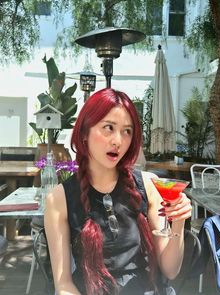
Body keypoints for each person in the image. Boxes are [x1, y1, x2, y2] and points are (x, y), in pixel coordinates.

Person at [44, 88, 192, 295]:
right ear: (84, 132)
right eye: (108, 128)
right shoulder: (59, 199)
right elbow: (64, 284)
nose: (118, 141)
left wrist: (179, 220)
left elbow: (171, 269)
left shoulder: (148, 186)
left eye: (127, 131)